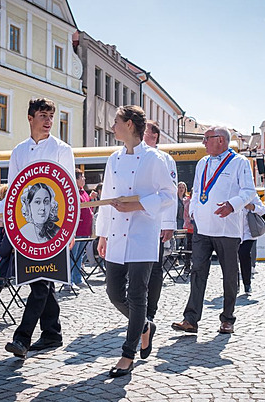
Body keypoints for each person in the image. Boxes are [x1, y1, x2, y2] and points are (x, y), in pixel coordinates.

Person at [0, 98, 75, 359]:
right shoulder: (19, 151)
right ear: (30, 118)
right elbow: (14, 190)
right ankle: (52, 333)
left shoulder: (62, 149)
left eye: (51, 116)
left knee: (41, 282)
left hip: (53, 230)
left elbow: (67, 193)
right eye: (43, 115)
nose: (48, 121)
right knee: (39, 281)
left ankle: (22, 338)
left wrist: (68, 232)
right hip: (26, 229)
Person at [96, 105, 175, 377]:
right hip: (116, 236)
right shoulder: (114, 159)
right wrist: (102, 233)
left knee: (137, 295)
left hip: (143, 236)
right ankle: (143, 326)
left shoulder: (155, 159)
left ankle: (127, 355)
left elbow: (169, 196)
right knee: (114, 293)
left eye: (116, 122)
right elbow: (106, 198)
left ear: (129, 124)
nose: (112, 127)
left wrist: (139, 205)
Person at [172, 126, 256, 335]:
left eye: (206, 138)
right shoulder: (203, 162)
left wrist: (232, 204)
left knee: (229, 275)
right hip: (202, 228)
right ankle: (190, 319)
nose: (203, 142)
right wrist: (191, 214)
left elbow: (249, 192)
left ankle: (227, 319)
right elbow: (199, 190)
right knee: (197, 272)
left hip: (227, 229)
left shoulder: (240, 163)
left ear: (220, 140)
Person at [142, 120, 178, 324]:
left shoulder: (165, 159)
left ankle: (150, 311)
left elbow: (170, 194)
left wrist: (169, 224)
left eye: (145, 132)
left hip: (156, 222)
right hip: (135, 222)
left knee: (155, 268)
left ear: (154, 137)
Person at [69, 168, 93, 290]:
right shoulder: (73, 192)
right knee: (73, 256)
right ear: (76, 179)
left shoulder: (83, 192)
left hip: (85, 229)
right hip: (77, 230)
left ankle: (77, 279)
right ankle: (69, 281)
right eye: (82, 177)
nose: (84, 179)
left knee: (79, 256)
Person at [239, 196, 265, 294]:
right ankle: (234, 285)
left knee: (244, 254)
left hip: (248, 233)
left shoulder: (250, 194)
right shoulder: (229, 191)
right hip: (233, 231)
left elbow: (263, 209)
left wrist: (252, 207)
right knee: (232, 259)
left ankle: (247, 284)